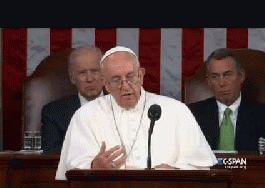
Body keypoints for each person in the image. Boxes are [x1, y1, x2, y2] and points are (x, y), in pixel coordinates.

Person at [56, 46, 217, 180]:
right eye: (117, 80)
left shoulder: (176, 110)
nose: (125, 86)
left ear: (141, 76)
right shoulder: (85, 115)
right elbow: (72, 170)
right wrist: (93, 167)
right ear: (105, 84)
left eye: (131, 77)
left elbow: (202, 165)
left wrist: (175, 171)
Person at [188, 48, 265, 152]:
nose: (222, 83)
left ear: (241, 76)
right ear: (209, 82)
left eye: (227, 75)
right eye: (215, 77)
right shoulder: (191, 115)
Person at [41, 46, 107, 153]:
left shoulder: (122, 106)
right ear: (72, 78)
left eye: (95, 71)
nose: (89, 79)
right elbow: (51, 154)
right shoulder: (53, 113)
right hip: (74, 169)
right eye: (82, 73)